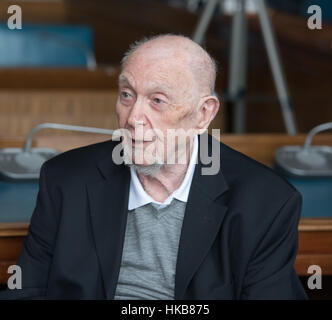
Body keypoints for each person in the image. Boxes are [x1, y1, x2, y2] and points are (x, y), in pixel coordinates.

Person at [0, 34, 307, 300]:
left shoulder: (266, 203)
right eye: (126, 95)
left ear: (204, 114)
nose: (133, 117)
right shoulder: (65, 180)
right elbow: (26, 291)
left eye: (157, 100)